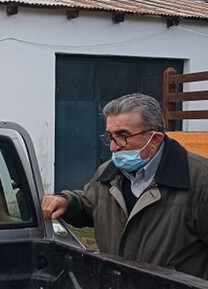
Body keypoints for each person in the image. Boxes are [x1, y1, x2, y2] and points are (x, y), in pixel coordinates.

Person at [42, 93, 208, 279]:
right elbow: (91, 204)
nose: (113, 147)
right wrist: (66, 202)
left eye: (123, 136)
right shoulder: (108, 173)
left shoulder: (199, 180)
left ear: (154, 139)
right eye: (110, 136)